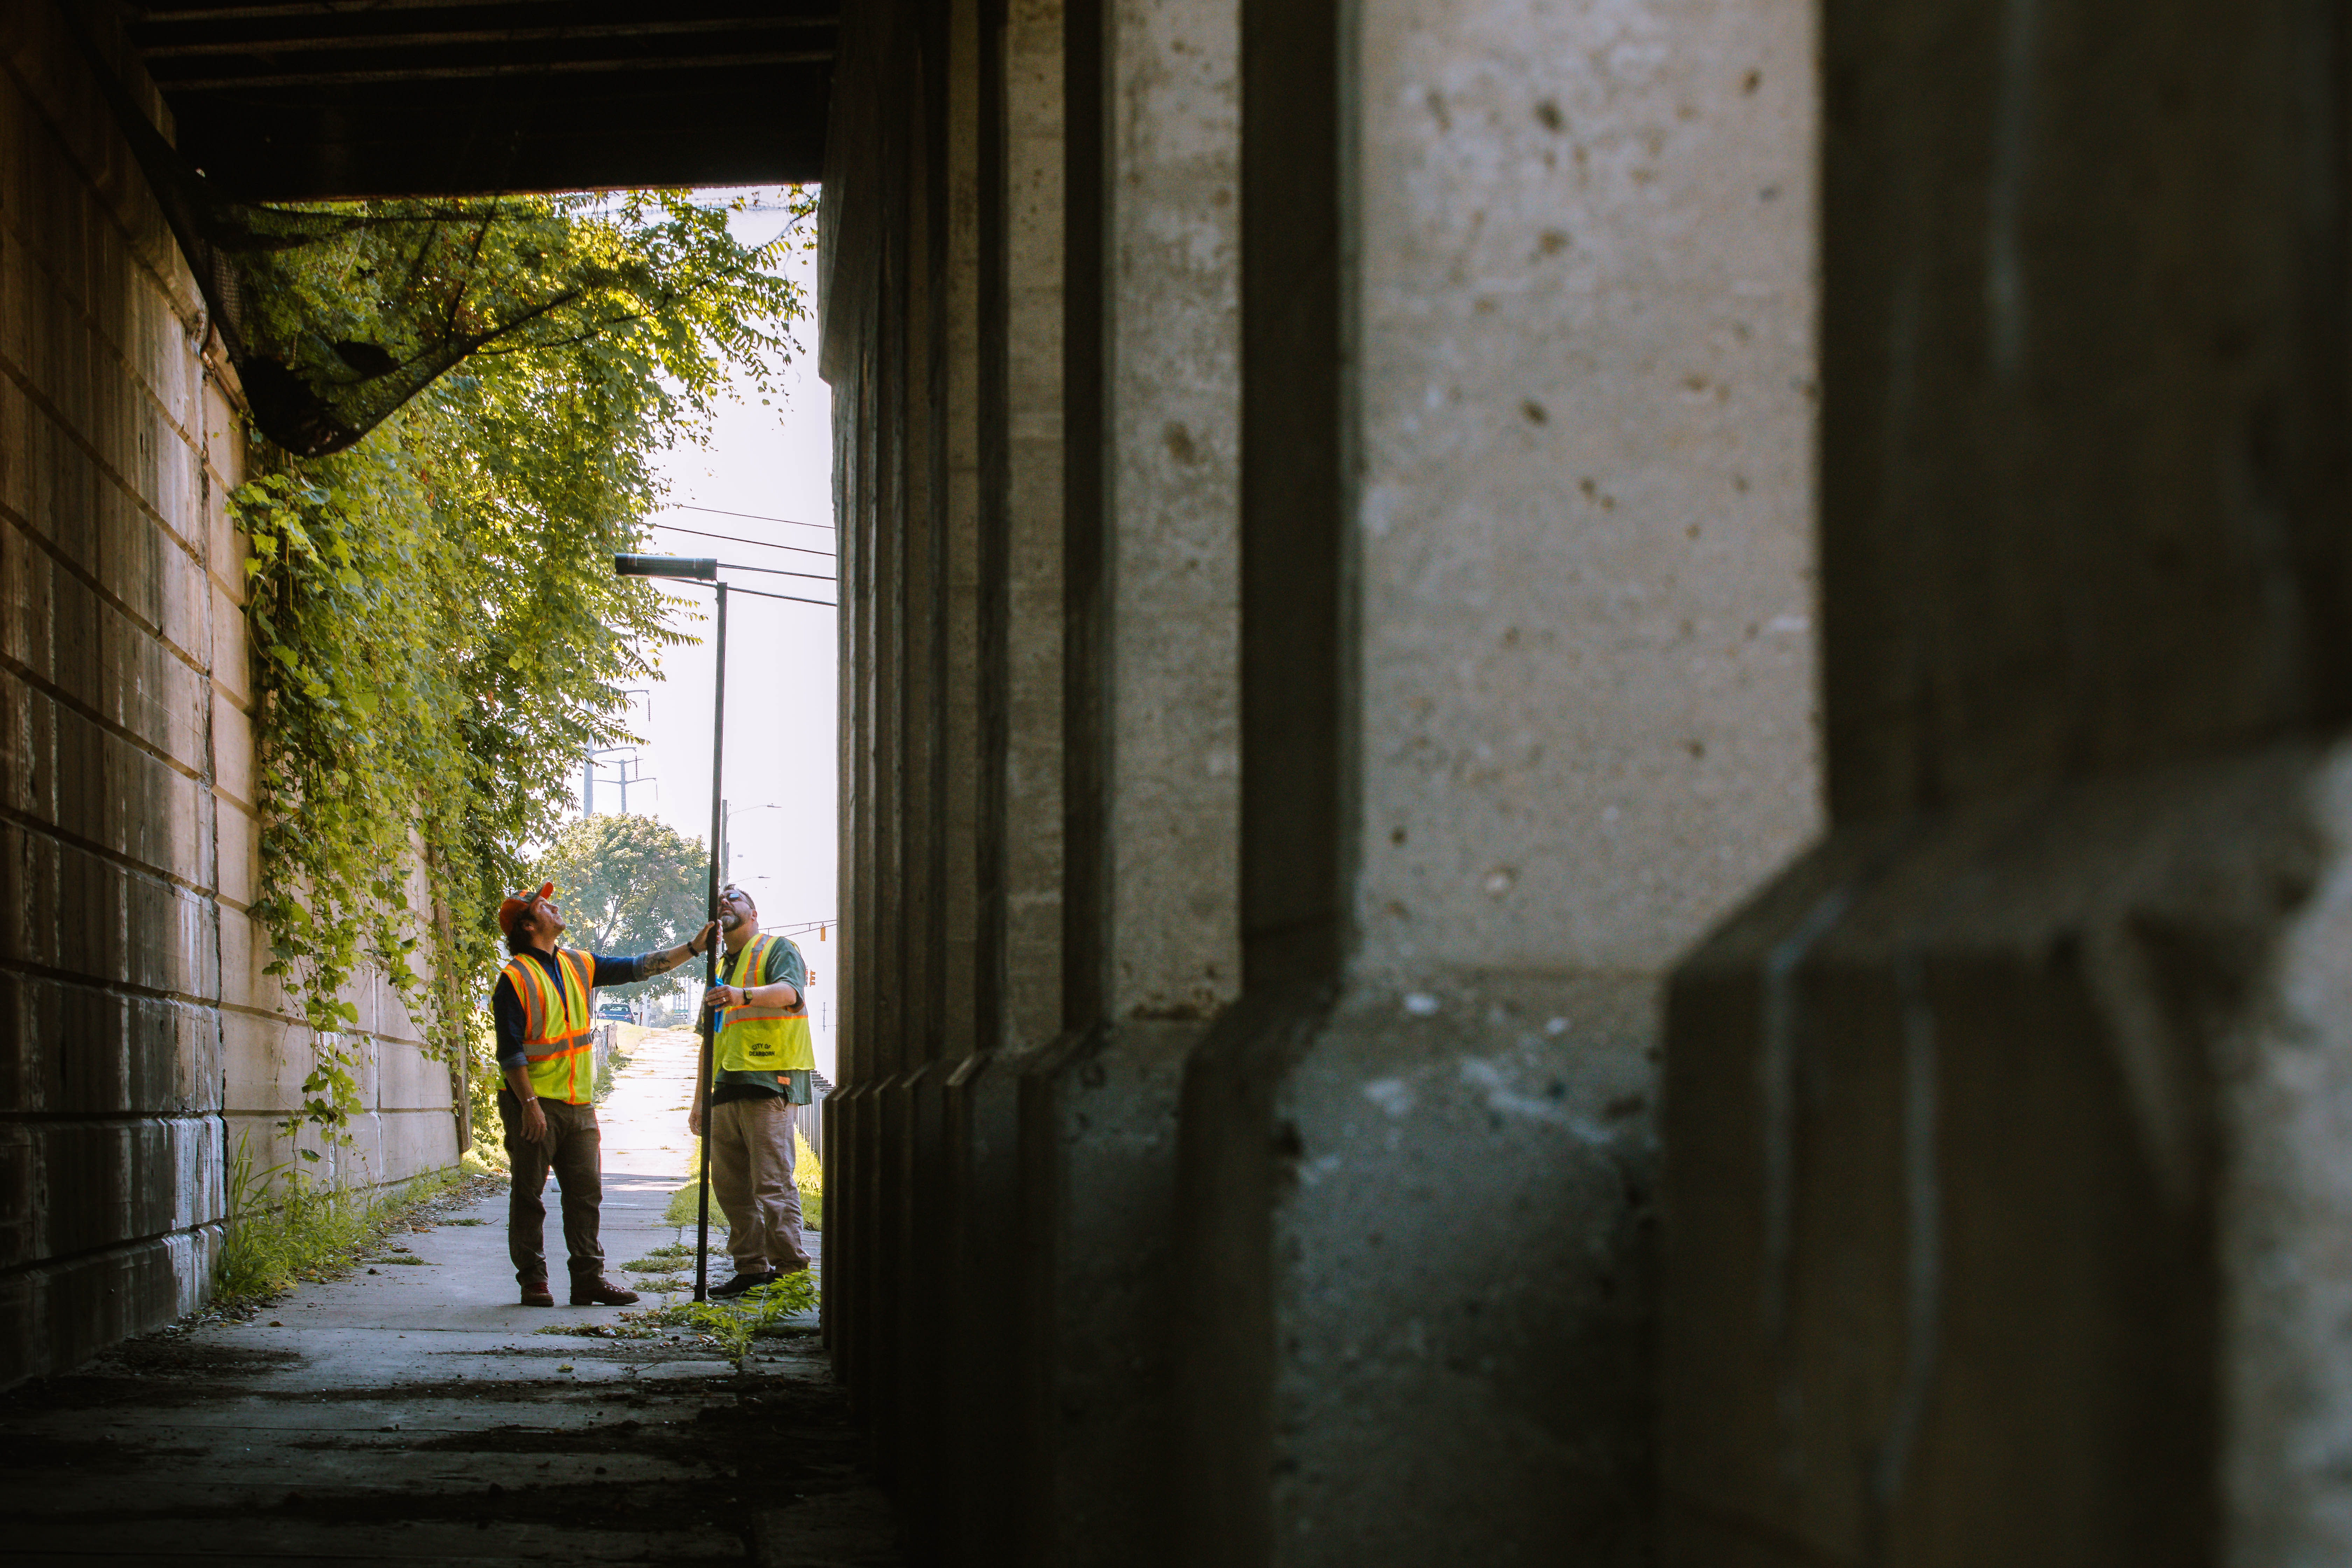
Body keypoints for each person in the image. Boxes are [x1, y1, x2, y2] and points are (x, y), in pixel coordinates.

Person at [494, 881, 716, 1308]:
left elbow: (638, 966)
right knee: (529, 1196)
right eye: (544, 905)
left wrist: (693, 947)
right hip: (534, 1106)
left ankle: (588, 1280)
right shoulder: (515, 979)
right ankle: (534, 1282)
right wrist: (529, 1105)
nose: (555, 906)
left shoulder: (578, 963)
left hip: (578, 1106)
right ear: (527, 924)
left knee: (586, 1194)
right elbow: (511, 1051)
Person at [688, 883, 817, 1297]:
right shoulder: (720, 968)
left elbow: (791, 995)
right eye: (720, 900)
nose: (725, 902)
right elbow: (709, 1039)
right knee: (731, 1188)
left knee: (772, 1184)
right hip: (726, 1088)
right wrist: (698, 1101)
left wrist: (742, 995)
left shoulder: (777, 949)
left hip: (769, 1083)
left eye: (735, 897)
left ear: (754, 911)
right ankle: (751, 1268)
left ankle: (791, 1271)